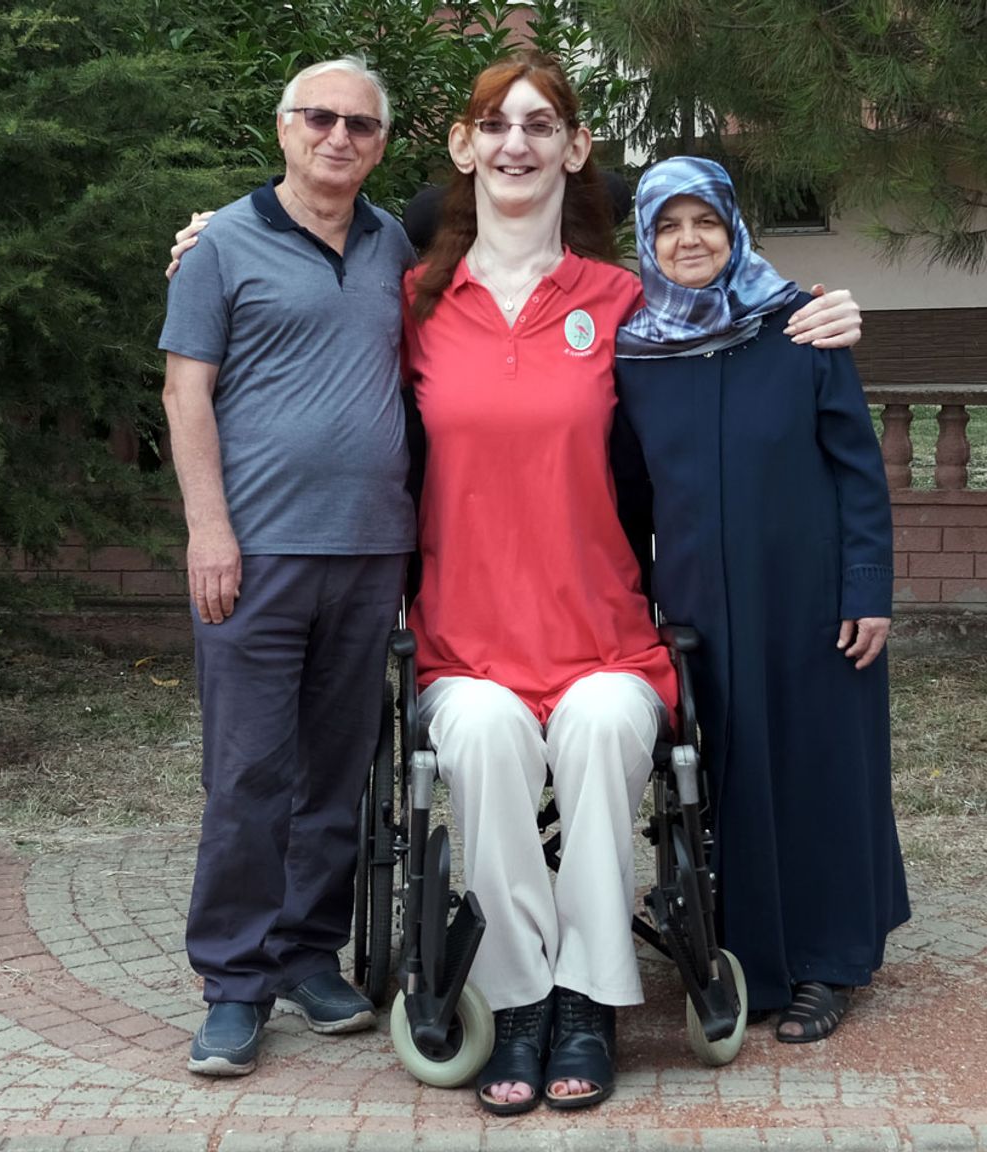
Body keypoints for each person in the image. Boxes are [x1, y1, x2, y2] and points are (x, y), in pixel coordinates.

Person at [160, 52, 862, 1107]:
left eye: (540, 125)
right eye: (495, 125)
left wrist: (816, 315)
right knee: (480, 741)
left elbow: (729, 324)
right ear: (463, 148)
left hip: (601, 636)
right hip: (465, 640)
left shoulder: (625, 302)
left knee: (605, 730)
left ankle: (588, 1004)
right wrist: (208, 239)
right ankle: (518, 1002)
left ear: (575, 149)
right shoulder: (411, 293)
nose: (516, 144)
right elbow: (277, 276)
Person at [156, 56, 415, 1079]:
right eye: (319, 118)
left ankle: (308, 954)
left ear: (380, 145)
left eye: (360, 124)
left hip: (372, 551)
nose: (338, 136)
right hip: (254, 555)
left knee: (336, 773)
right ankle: (232, 983)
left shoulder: (393, 243)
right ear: (282, 129)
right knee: (249, 774)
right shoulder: (221, 243)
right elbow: (184, 394)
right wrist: (207, 531)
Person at [614, 157, 911, 1044]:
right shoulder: (637, 355)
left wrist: (868, 587)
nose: (689, 240)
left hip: (812, 601)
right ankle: (752, 958)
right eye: (668, 226)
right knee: (732, 777)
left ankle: (829, 961)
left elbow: (857, 470)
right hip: (698, 611)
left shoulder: (799, 328)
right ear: (646, 241)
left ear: (734, 228)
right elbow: (629, 502)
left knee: (821, 769)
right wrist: (631, 608)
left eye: (704, 221)